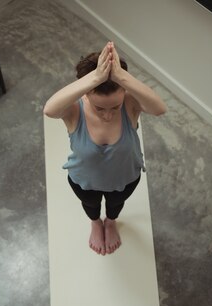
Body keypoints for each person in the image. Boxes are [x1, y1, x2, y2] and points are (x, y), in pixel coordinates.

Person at [44, 41, 166, 255]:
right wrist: (94, 78)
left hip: (125, 179)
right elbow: (50, 110)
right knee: (91, 207)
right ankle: (95, 224)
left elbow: (159, 108)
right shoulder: (74, 111)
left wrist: (121, 76)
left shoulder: (130, 103)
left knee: (115, 206)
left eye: (115, 107)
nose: (108, 115)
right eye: (99, 108)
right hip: (85, 182)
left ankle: (110, 223)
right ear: (86, 94)